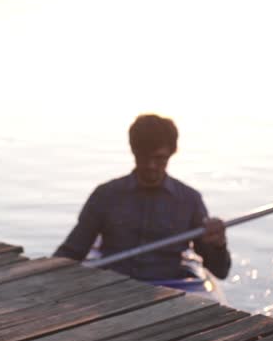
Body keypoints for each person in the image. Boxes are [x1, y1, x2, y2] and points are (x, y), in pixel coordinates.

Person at [53, 114, 231, 280]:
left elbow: (220, 271)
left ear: (172, 152)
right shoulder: (105, 195)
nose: (151, 165)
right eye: (143, 157)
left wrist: (218, 244)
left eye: (159, 158)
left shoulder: (189, 200)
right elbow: (72, 251)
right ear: (133, 151)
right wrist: (45, 273)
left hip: (169, 292)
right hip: (112, 289)